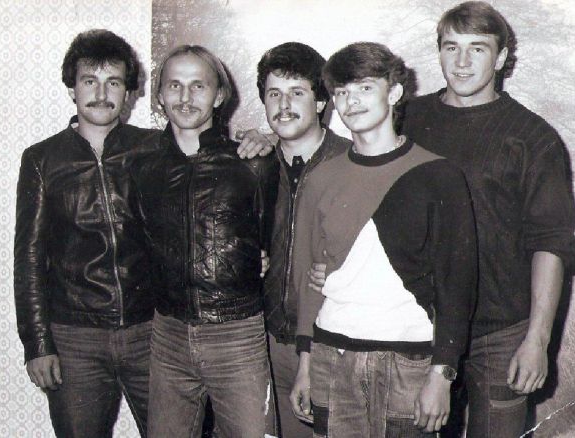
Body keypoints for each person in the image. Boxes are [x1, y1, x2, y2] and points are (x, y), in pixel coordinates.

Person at [400, 2, 575, 436]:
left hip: (499, 333)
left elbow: (550, 243)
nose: (462, 62)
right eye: (451, 47)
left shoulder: (533, 137)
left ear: (500, 58)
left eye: (477, 49)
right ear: (439, 52)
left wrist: (537, 340)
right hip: (418, 326)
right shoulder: (407, 119)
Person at [290, 42, 478, 437]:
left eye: (364, 88)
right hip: (332, 357)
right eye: (342, 92)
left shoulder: (439, 175)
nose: (352, 101)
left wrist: (442, 374)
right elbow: (305, 277)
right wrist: (305, 364)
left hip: (409, 362)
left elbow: (457, 284)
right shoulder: (320, 178)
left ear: (393, 93)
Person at [14, 29, 157, 437]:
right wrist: (37, 344)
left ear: (128, 92)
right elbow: (28, 258)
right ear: (71, 88)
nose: (101, 93)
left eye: (113, 82)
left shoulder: (154, 148)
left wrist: (258, 140)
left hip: (151, 331)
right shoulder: (42, 159)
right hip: (75, 339)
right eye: (89, 81)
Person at [132, 45, 277, 437]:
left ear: (219, 95)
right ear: (159, 95)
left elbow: (272, 240)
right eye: (174, 85)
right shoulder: (142, 168)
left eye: (199, 85)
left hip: (236, 334)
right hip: (168, 334)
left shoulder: (253, 162)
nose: (185, 96)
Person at [256, 42, 352, 437]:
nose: (284, 105)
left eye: (297, 92)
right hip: (265, 343)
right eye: (273, 94)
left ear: (321, 101)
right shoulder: (252, 165)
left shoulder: (352, 164)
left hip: (331, 345)